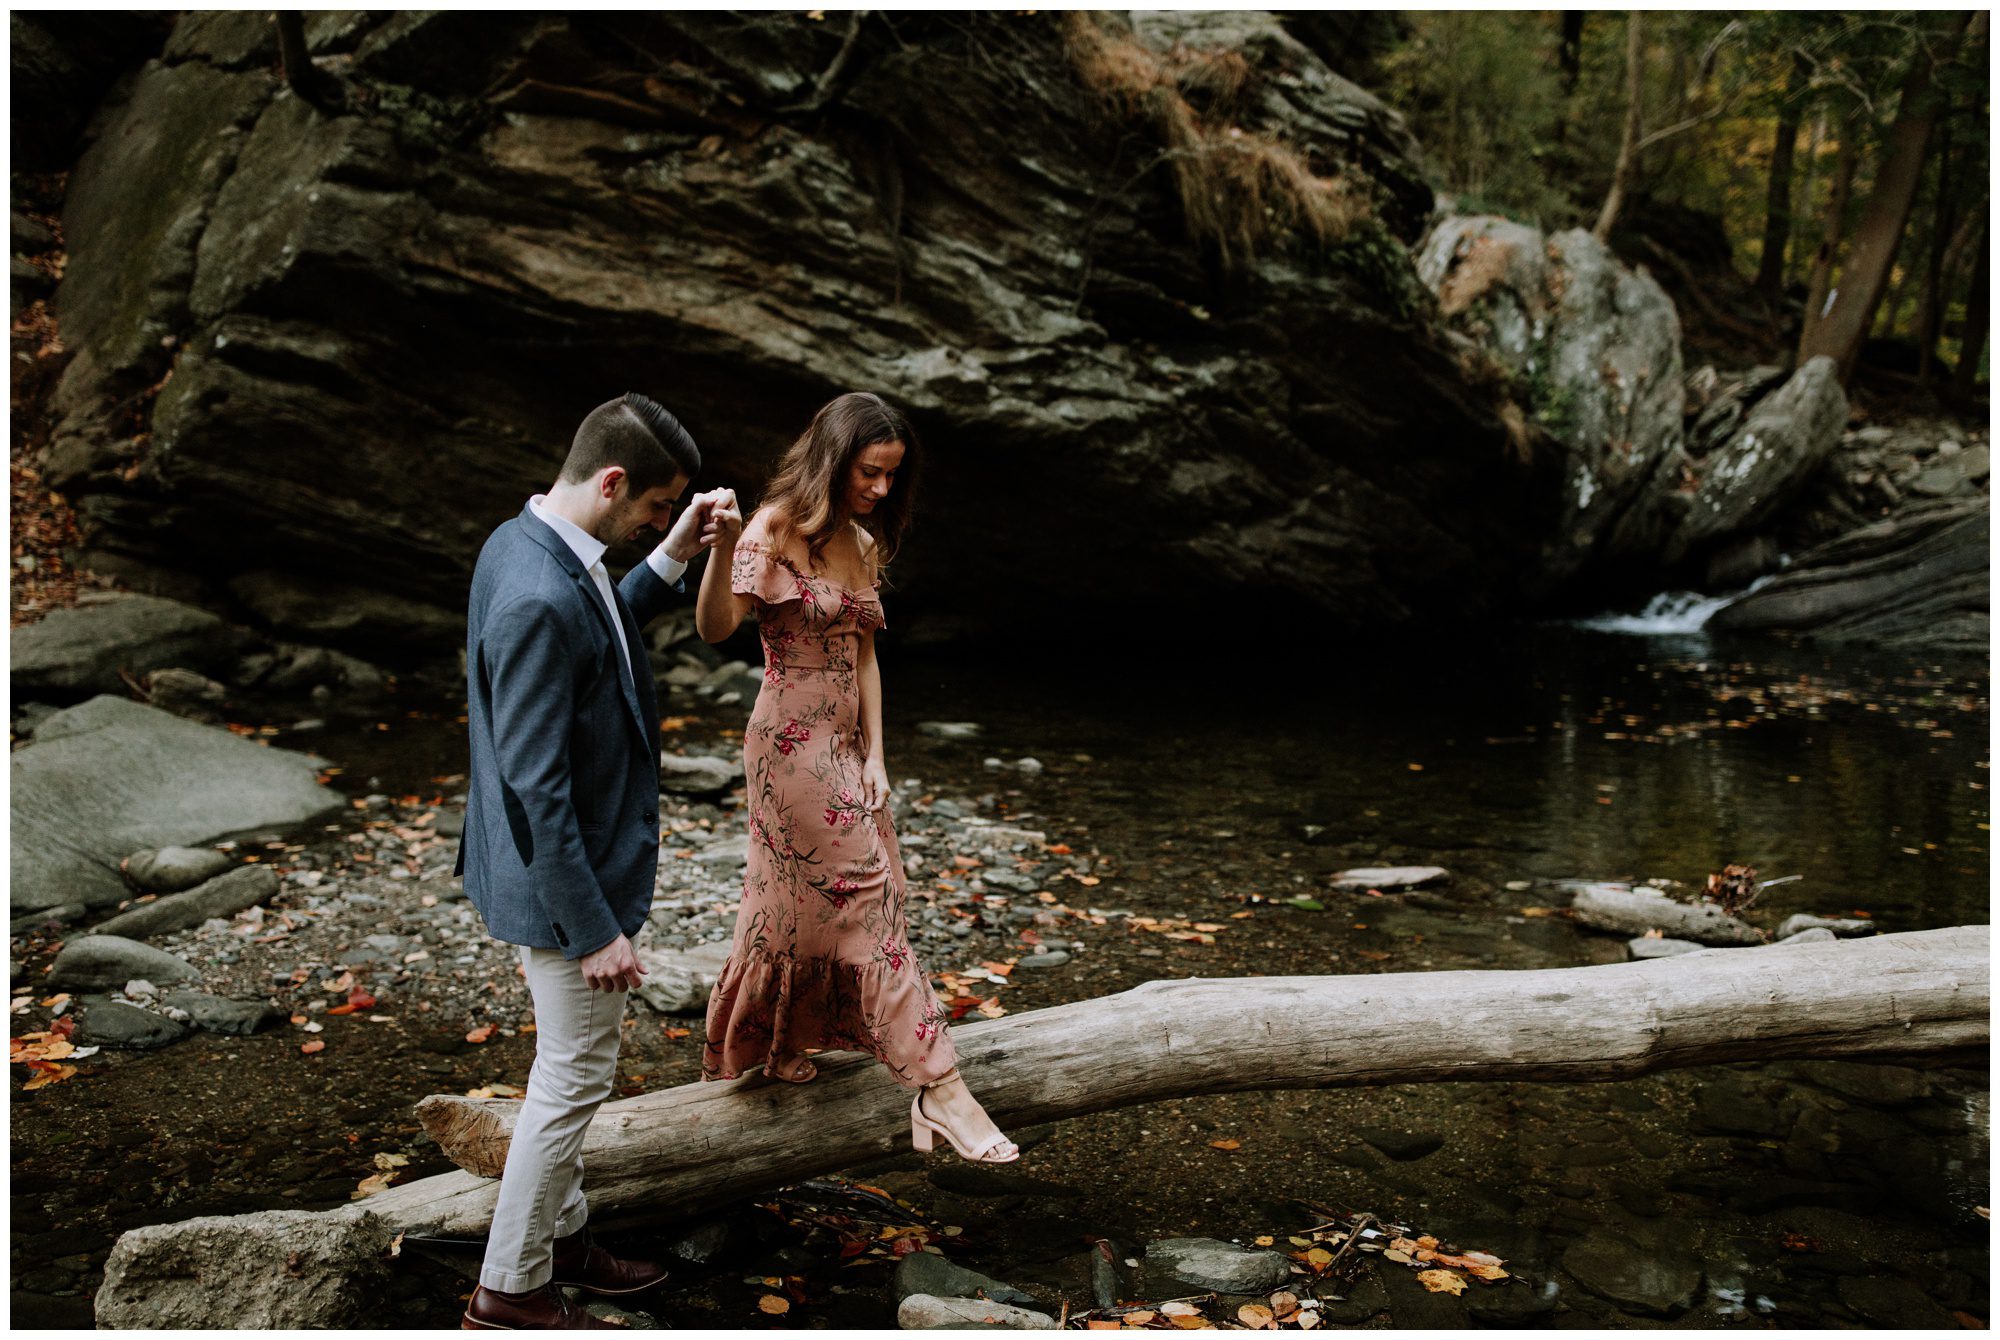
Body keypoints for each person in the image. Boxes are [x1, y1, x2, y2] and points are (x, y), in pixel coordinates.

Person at [456, 393, 731, 1330]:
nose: (660, 518)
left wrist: (674, 553)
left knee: (568, 1066)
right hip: (560, 888)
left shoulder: (526, 543)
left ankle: (563, 1238)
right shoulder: (536, 596)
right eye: (656, 506)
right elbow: (537, 787)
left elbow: (601, 630)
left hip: (536, 871)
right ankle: (510, 1289)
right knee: (571, 1078)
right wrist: (595, 931)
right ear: (612, 481)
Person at [694, 391, 1017, 1164]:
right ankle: (941, 1089)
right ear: (833, 460)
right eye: (869, 472)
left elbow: (865, 656)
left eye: (891, 475)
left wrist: (876, 755)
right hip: (787, 743)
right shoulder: (771, 528)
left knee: (796, 901)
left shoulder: (861, 543)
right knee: (866, 897)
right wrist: (723, 548)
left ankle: (778, 1044)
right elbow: (714, 629)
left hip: (843, 745)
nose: (880, 488)